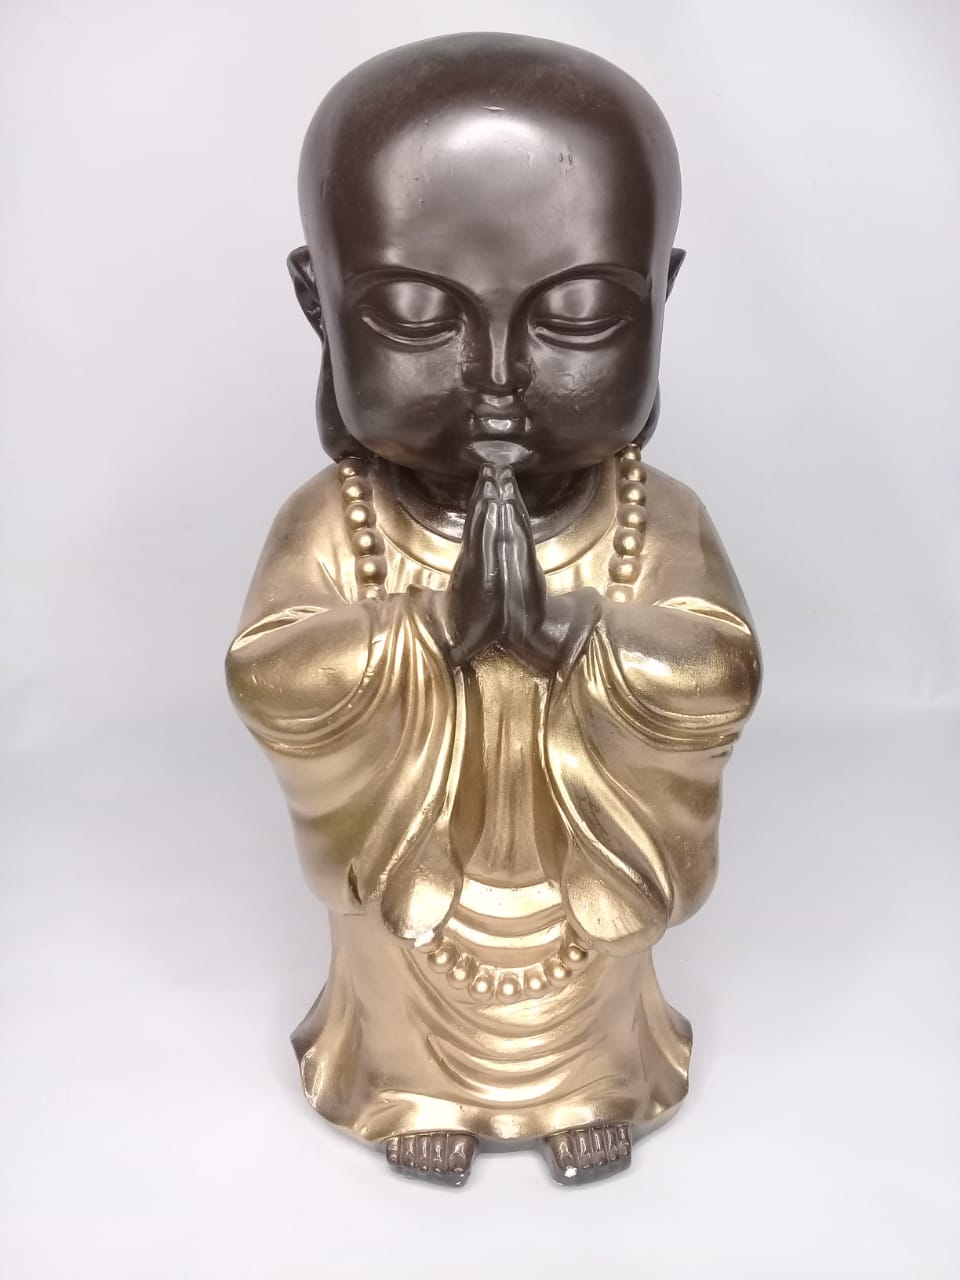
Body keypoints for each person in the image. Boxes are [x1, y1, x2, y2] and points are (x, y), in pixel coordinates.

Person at [226, 32, 761, 1187]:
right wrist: (424, 633)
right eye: (420, 315)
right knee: (398, 972)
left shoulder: (657, 515)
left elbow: (721, 668)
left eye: (580, 315)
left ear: (661, 294)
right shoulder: (335, 521)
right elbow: (269, 671)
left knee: (597, 992)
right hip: (415, 911)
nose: (501, 376)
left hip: (584, 901)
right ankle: (407, 1082)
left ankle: (598, 1082)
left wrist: (577, 638)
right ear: (319, 304)